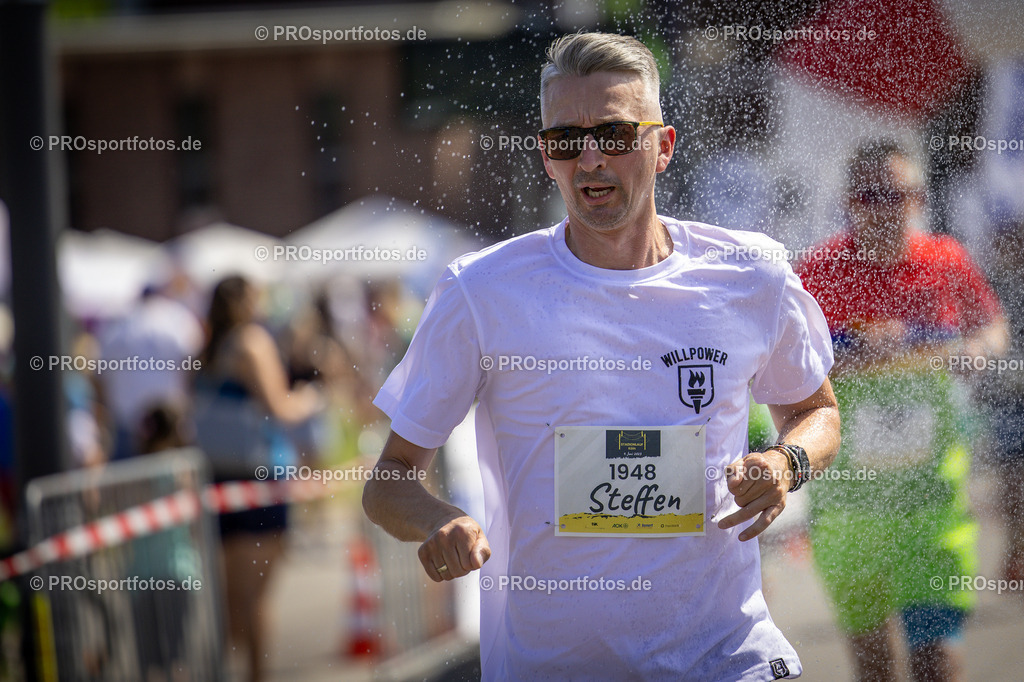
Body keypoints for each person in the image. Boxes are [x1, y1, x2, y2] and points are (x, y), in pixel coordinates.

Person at [363, 32, 840, 680]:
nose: (590, 159)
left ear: (663, 146)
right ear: (546, 157)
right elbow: (388, 480)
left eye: (615, 134)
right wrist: (438, 521)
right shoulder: (481, 292)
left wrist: (786, 462)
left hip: (723, 658)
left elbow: (817, 412)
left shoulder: (747, 274)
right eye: (566, 140)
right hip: (556, 666)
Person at [796, 138, 1008, 682]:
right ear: (849, 200)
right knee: (875, 668)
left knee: (936, 659)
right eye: (872, 195)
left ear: (918, 199)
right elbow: (783, 368)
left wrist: (978, 350)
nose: (886, 208)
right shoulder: (817, 271)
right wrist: (853, 354)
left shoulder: (945, 259)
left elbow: (992, 328)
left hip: (931, 496)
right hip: (849, 506)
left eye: (900, 195)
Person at [192, 275, 320, 682]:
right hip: (259, 479)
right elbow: (281, 408)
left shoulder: (208, 346)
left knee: (233, 596)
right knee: (256, 597)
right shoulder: (251, 341)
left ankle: (230, 672)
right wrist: (312, 398)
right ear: (247, 301)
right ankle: (256, 676)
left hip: (218, 479)